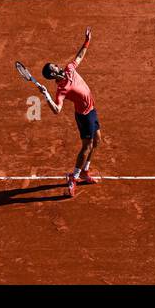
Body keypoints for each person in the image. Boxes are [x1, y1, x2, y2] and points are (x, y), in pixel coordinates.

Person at [34, 28, 100, 198]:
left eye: (54, 64)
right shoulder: (61, 90)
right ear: (52, 74)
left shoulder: (70, 68)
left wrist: (87, 40)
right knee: (87, 146)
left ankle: (85, 171)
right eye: (53, 67)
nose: (56, 65)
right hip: (84, 116)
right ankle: (74, 177)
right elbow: (57, 110)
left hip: (92, 109)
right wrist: (46, 95)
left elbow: (80, 56)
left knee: (97, 140)